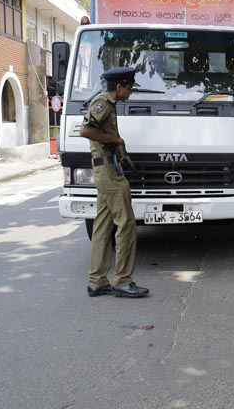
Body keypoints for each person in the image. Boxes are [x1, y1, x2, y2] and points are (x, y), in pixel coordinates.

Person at [80, 66, 149, 299]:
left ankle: (97, 281)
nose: (130, 92)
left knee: (102, 225)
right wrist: (116, 139)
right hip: (108, 172)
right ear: (119, 86)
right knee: (127, 224)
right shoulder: (102, 103)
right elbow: (86, 130)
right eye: (129, 88)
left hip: (106, 169)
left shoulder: (109, 104)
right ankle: (122, 280)